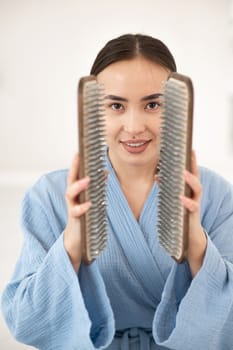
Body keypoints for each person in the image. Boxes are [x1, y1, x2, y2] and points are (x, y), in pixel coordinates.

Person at [1, 33, 233, 350]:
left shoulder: (215, 194)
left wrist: (196, 243)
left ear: (178, 108)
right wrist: (71, 243)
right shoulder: (50, 196)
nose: (134, 126)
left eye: (153, 104)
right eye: (116, 105)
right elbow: (25, 322)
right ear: (95, 111)